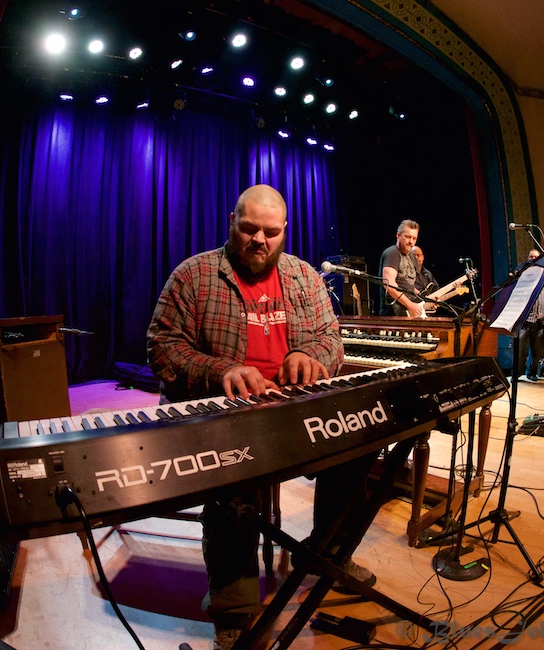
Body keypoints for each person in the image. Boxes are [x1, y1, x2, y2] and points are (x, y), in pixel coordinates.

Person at [146, 184, 377, 650]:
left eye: (271, 233)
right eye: (249, 229)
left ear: (285, 231)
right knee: (236, 472)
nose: (259, 240)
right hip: (224, 413)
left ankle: (328, 550)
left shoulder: (303, 277)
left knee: (362, 440)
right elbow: (162, 347)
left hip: (292, 408)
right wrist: (221, 370)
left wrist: (310, 355)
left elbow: (332, 339)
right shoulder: (194, 276)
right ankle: (232, 606)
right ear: (231, 221)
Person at [515, 249, 544, 382]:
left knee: (537, 350)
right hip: (526, 319)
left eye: (536, 257)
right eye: (531, 256)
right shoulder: (524, 273)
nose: (533, 259)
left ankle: (531, 373)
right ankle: (517, 374)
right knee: (520, 349)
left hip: (542, 320)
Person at [378, 219, 426, 317]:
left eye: (414, 238)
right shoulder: (392, 253)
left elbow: (410, 286)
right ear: (398, 235)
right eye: (408, 237)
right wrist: (410, 305)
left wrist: (428, 300)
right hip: (394, 311)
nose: (411, 242)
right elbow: (389, 284)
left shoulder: (412, 256)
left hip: (408, 309)